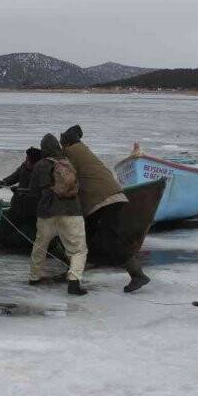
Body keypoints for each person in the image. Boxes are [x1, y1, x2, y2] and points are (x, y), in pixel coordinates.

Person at [60, 124, 150, 293]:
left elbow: (63, 176)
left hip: (102, 201)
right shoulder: (84, 150)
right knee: (87, 232)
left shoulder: (70, 152)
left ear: (66, 142)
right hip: (114, 195)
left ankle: (137, 275)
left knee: (110, 239)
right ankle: (75, 270)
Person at [28, 134, 88, 296]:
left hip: (46, 213)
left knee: (40, 245)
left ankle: (34, 277)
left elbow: (33, 192)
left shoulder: (40, 165)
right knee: (77, 250)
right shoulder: (69, 163)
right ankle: (74, 282)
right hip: (71, 211)